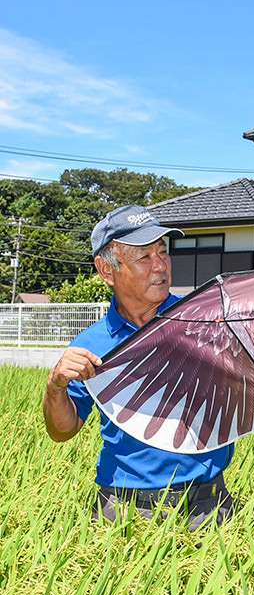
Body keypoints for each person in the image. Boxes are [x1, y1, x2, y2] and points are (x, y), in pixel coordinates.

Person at [42, 204, 234, 530]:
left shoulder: (201, 319)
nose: (160, 266)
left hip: (206, 503)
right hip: (121, 506)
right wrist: (55, 386)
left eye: (163, 252)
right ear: (106, 270)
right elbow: (63, 430)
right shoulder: (92, 343)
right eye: (144, 257)